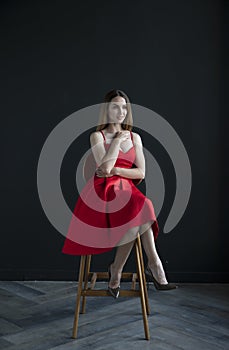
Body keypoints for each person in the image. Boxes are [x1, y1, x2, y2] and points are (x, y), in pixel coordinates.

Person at [62, 89, 177, 297]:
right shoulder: (97, 136)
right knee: (142, 207)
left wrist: (115, 170)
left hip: (127, 191)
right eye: (116, 106)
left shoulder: (135, 137)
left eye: (124, 107)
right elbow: (104, 170)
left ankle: (118, 270)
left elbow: (140, 172)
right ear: (107, 110)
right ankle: (154, 266)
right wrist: (115, 142)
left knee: (139, 208)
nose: (121, 111)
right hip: (102, 192)